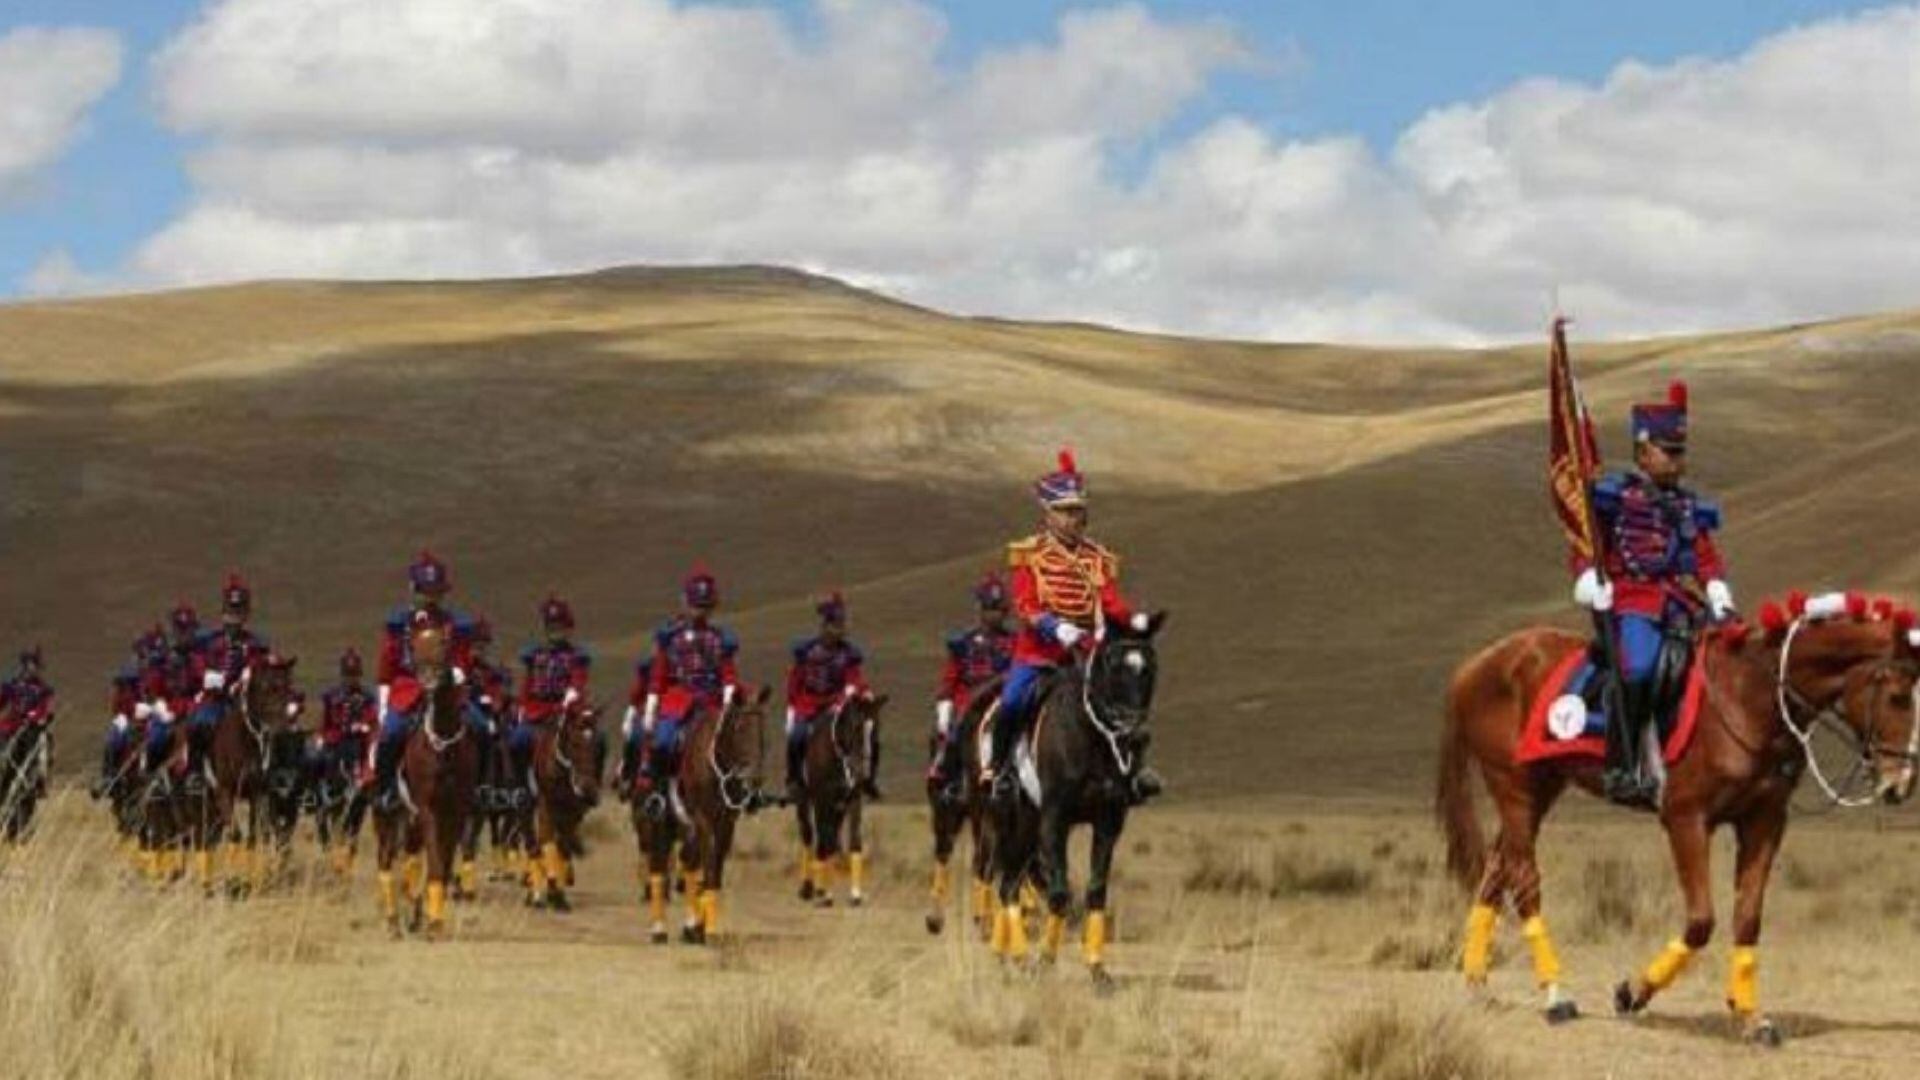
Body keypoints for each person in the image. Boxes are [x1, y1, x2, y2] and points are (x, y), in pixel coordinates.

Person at [1571, 381, 1733, 807]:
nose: (1678, 461)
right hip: (1630, 601)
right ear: (1644, 453)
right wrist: (1588, 575)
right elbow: (1587, 544)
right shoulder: (1614, 498)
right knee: (1638, 667)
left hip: (1679, 603)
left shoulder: (1688, 507)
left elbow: (1704, 556)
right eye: (1669, 451)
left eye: (1681, 452)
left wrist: (1716, 588)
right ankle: (1621, 767)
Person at [987, 449, 1159, 805]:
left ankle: (1132, 774)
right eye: (1065, 511)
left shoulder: (1097, 557)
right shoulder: (1029, 554)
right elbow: (1025, 605)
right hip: (1039, 654)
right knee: (1012, 702)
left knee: (1124, 699)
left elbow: (1109, 600)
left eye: (1078, 510)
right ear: (1048, 514)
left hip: (1085, 652)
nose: (1073, 518)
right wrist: (1054, 626)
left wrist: (1131, 620)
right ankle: (999, 771)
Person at [622, 567, 739, 812]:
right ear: (686, 604)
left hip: (710, 702)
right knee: (663, 740)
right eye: (696, 605)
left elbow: (728, 673)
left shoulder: (720, 639)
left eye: (705, 606)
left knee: (736, 740)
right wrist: (653, 699)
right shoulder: (671, 637)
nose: (700, 611)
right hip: (678, 702)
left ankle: (737, 790)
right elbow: (660, 673)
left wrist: (729, 693)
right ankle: (657, 792)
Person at [371, 551, 473, 808]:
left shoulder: (454, 624)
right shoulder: (400, 624)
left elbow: (462, 658)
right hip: (407, 691)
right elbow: (387, 667)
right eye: (426, 591)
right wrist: (384, 706)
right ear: (415, 591)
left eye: (436, 591)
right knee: (391, 734)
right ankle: (386, 790)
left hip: (447, 690)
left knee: (481, 728)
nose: (431, 597)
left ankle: (478, 790)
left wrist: (459, 672)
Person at [927, 574, 1015, 799]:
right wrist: (945, 700)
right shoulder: (963, 643)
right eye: (989, 609)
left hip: (1001, 698)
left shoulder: (1014, 642)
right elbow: (951, 677)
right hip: (968, 698)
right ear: (981, 611)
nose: (993, 615)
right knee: (952, 728)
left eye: (998, 609)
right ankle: (949, 776)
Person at [784, 592, 875, 800]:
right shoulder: (807, 651)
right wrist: (793, 706)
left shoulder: (848, 654)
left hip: (836, 705)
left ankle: (864, 777)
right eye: (835, 626)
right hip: (807, 706)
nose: (839, 631)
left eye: (841, 626)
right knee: (796, 735)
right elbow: (795, 682)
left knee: (863, 731)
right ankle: (794, 780)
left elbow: (854, 679)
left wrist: (858, 693)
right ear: (825, 626)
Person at [511, 596, 591, 806]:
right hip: (537, 711)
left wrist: (572, 695)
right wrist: (521, 707)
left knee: (596, 740)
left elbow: (579, 682)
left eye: (560, 626)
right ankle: (520, 788)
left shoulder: (576, 656)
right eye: (552, 626)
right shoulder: (535, 655)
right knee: (517, 740)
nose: (556, 630)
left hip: (567, 712)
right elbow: (527, 685)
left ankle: (590, 785)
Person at [189, 574, 269, 775]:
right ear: (224, 610)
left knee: (272, 730)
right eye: (231, 609)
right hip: (216, 700)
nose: (235, 616)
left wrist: (248, 674)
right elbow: (197, 663)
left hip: (242, 702)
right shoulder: (209, 641)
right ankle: (196, 772)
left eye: (239, 610)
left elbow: (259, 664)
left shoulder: (255, 644)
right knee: (199, 724)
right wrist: (207, 675)